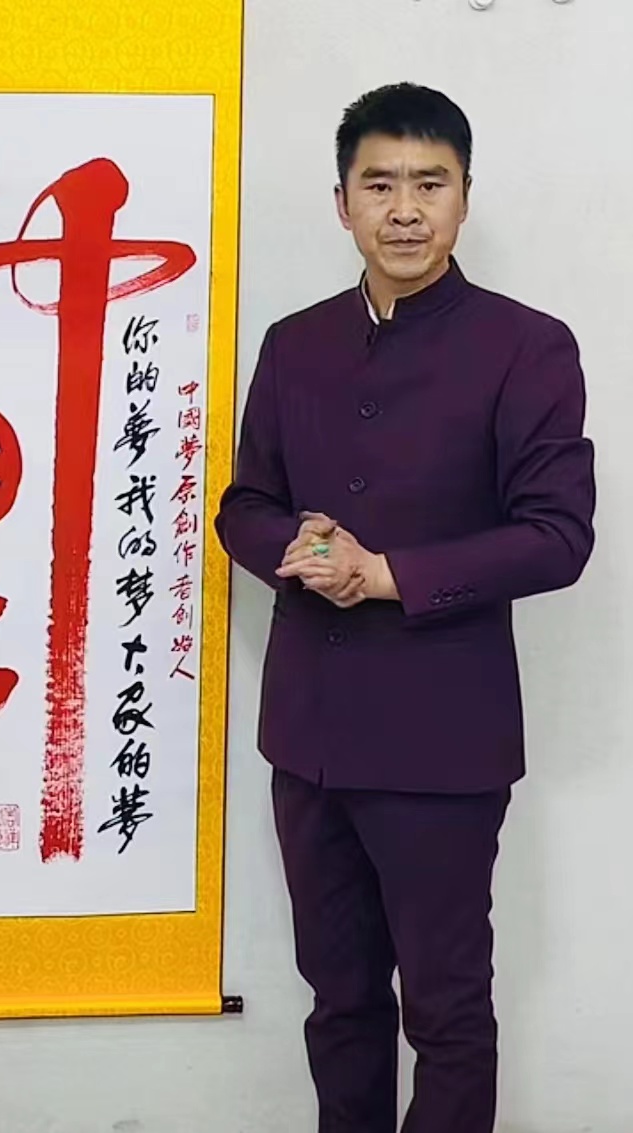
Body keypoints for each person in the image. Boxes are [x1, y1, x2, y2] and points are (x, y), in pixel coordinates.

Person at [215, 83, 595, 1133]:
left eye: (430, 184)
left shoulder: (526, 346)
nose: (405, 210)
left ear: (465, 197)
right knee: (339, 1004)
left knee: (446, 1011)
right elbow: (244, 504)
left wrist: (387, 573)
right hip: (309, 738)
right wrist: (292, 547)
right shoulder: (294, 343)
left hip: (443, 744)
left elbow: (558, 534)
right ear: (342, 202)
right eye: (379, 185)